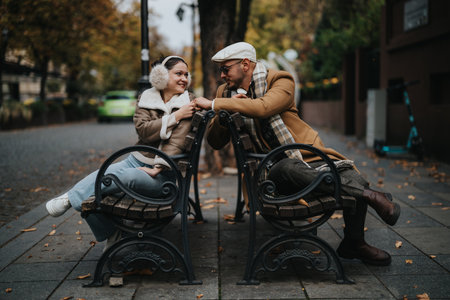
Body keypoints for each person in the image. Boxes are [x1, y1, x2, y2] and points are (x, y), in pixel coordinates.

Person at [194, 42, 400, 266]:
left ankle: (354, 242)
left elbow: (264, 107)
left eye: (225, 69)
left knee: (353, 176)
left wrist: (218, 104)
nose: (222, 76)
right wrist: (225, 107)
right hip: (269, 172)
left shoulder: (281, 80)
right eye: (221, 70)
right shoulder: (225, 93)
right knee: (288, 167)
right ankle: (372, 197)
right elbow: (215, 142)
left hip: (305, 155)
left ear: (245, 64)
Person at [46, 56, 197, 247]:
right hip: (134, 161)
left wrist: (157, 168)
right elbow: (143, 130)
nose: (184, 78)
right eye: (178, 74)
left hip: (163, 175)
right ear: (161, 76)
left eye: (186, 74)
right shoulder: (147, 97)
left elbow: (178, 140)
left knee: (115, 178)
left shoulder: (188, 102)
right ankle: (107, 228)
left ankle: (72, 199)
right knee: (98, 187)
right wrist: (175, 116)